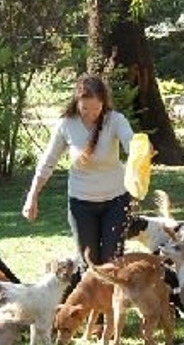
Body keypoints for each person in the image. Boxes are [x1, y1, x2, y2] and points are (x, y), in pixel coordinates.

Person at [22, 74, 134, 266]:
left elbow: (131, 143)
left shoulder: (116, 120)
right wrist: (32, 196)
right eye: (85, 109)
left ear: (104, 103)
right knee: (88, 262)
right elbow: (48, 161)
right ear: (77, 103)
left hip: (116, 202)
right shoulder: (66, 124)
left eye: (96, 109)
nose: (91, 114)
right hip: (81, 204)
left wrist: (141, 151)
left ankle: (112, 286)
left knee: (112, 262)